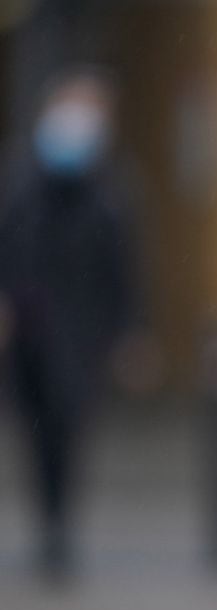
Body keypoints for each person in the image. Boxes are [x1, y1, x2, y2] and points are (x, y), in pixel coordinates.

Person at [0, 67, 145, 579]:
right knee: (35, 432)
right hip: (29, 333)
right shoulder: (21, 181)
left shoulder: (110, 190)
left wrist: (131, 334)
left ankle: (59, 525)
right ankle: (48, 519)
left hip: (82, 335)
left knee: (69, 427)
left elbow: (125, 267)